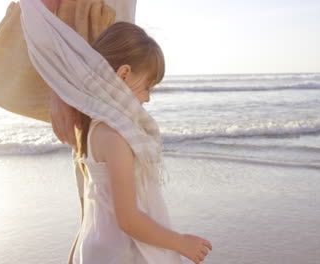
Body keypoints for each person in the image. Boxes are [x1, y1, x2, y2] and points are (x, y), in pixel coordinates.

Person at [68, 22, 212, 264]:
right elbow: (128, 219)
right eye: (147, 87)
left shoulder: (96, 127)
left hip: (101, 248)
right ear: (123, 74)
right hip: (122, 254)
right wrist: (180, 242)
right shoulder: (115, 136)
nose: (147, 98)